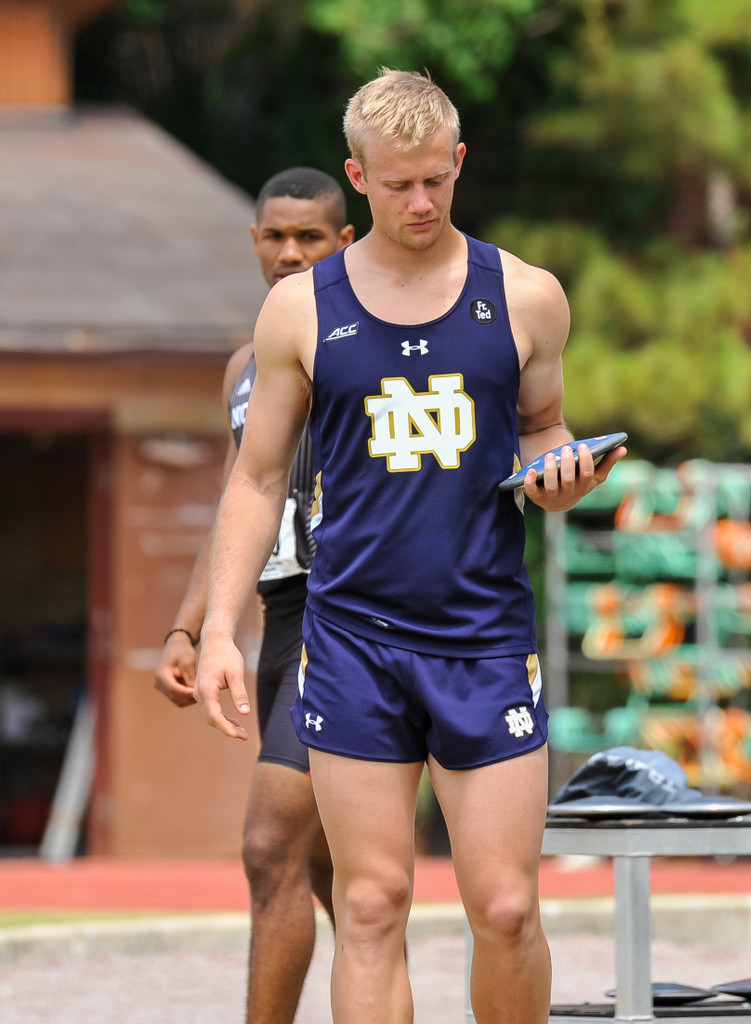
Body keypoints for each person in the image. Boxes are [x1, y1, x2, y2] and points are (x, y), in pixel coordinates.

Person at [194, 69, 627, 1024]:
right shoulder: (301, 309)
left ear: (458, 161)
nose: (421, 202)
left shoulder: (527, 296)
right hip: (352, 638)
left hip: (482, 635)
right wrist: (219, 627)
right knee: (371, 902)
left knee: (506, 909)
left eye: (437, 179)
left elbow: (543, 428)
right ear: (358, 177)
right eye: (397, 185)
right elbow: (256, 480)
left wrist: (561, 474)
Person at [154, 166, 354, 1024]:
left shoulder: (363, 339)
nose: (289, 253)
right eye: (275, 236)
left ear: (344, 242)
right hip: (276, 621)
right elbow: (240, 500)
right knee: (329, 871)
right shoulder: (246, 364)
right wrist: (188, 628)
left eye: (309, 237)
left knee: (271, 849)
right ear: (254, 242)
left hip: (342, 619)